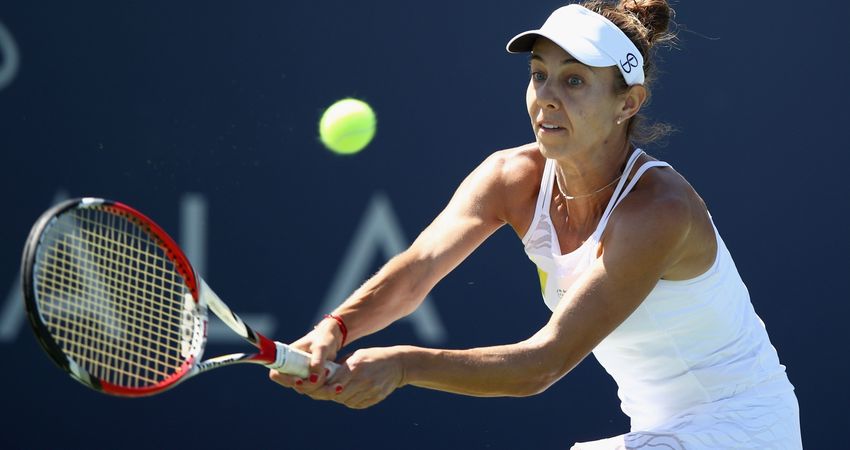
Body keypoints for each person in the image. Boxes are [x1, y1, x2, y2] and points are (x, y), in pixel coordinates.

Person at [270, 1, 802, 448]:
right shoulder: (512, 177)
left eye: (574, 81)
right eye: (538, 74)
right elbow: (417, 271)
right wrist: (335, 328)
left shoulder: (657, 211)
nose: (546, 95)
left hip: (746, 429)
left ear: (628, 104)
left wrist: (406, 364)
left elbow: (540, 365)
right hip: (657, 432)